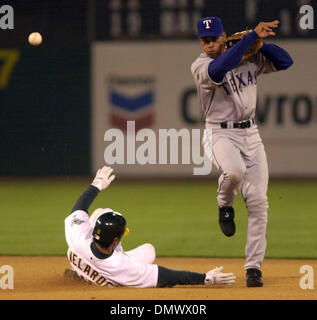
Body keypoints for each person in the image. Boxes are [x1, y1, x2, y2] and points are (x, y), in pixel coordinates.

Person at [191, 17, 293, 287]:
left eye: (214, 38)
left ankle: (253, 268)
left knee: (259, 201)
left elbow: (285, 61)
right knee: (234, 172)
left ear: (224, 36)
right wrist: (248, 40)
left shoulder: (248, 56)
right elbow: (219, 68)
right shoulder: (201, 65)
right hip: (219, 133)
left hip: (251, 134)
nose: (210, 43)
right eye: (205, 39)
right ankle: (225, 205)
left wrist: (260, 44)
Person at [64, 166, 236, 288]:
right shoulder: (123, 266)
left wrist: (96, 185)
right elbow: (167, 276)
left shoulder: (78, 237)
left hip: (84, 257)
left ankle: (80, 273)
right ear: (116, 241)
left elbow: (78, 209)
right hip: (111, 271)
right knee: (149, 251)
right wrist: (205, 278)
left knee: (102, 211)